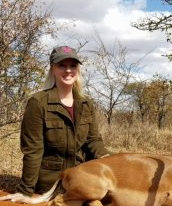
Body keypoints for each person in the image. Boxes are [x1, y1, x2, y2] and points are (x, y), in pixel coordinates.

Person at [16, 46, 111, 196]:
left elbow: (93, 140)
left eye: (72, 65)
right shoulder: (38, 102)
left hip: (83, 176)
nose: (68, 70)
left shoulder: (86, 103)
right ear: (52, 69)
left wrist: (110, 160)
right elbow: (33, 150)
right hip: (53, 183)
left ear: (77, 70)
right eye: (62, 65)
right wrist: (25, 190)